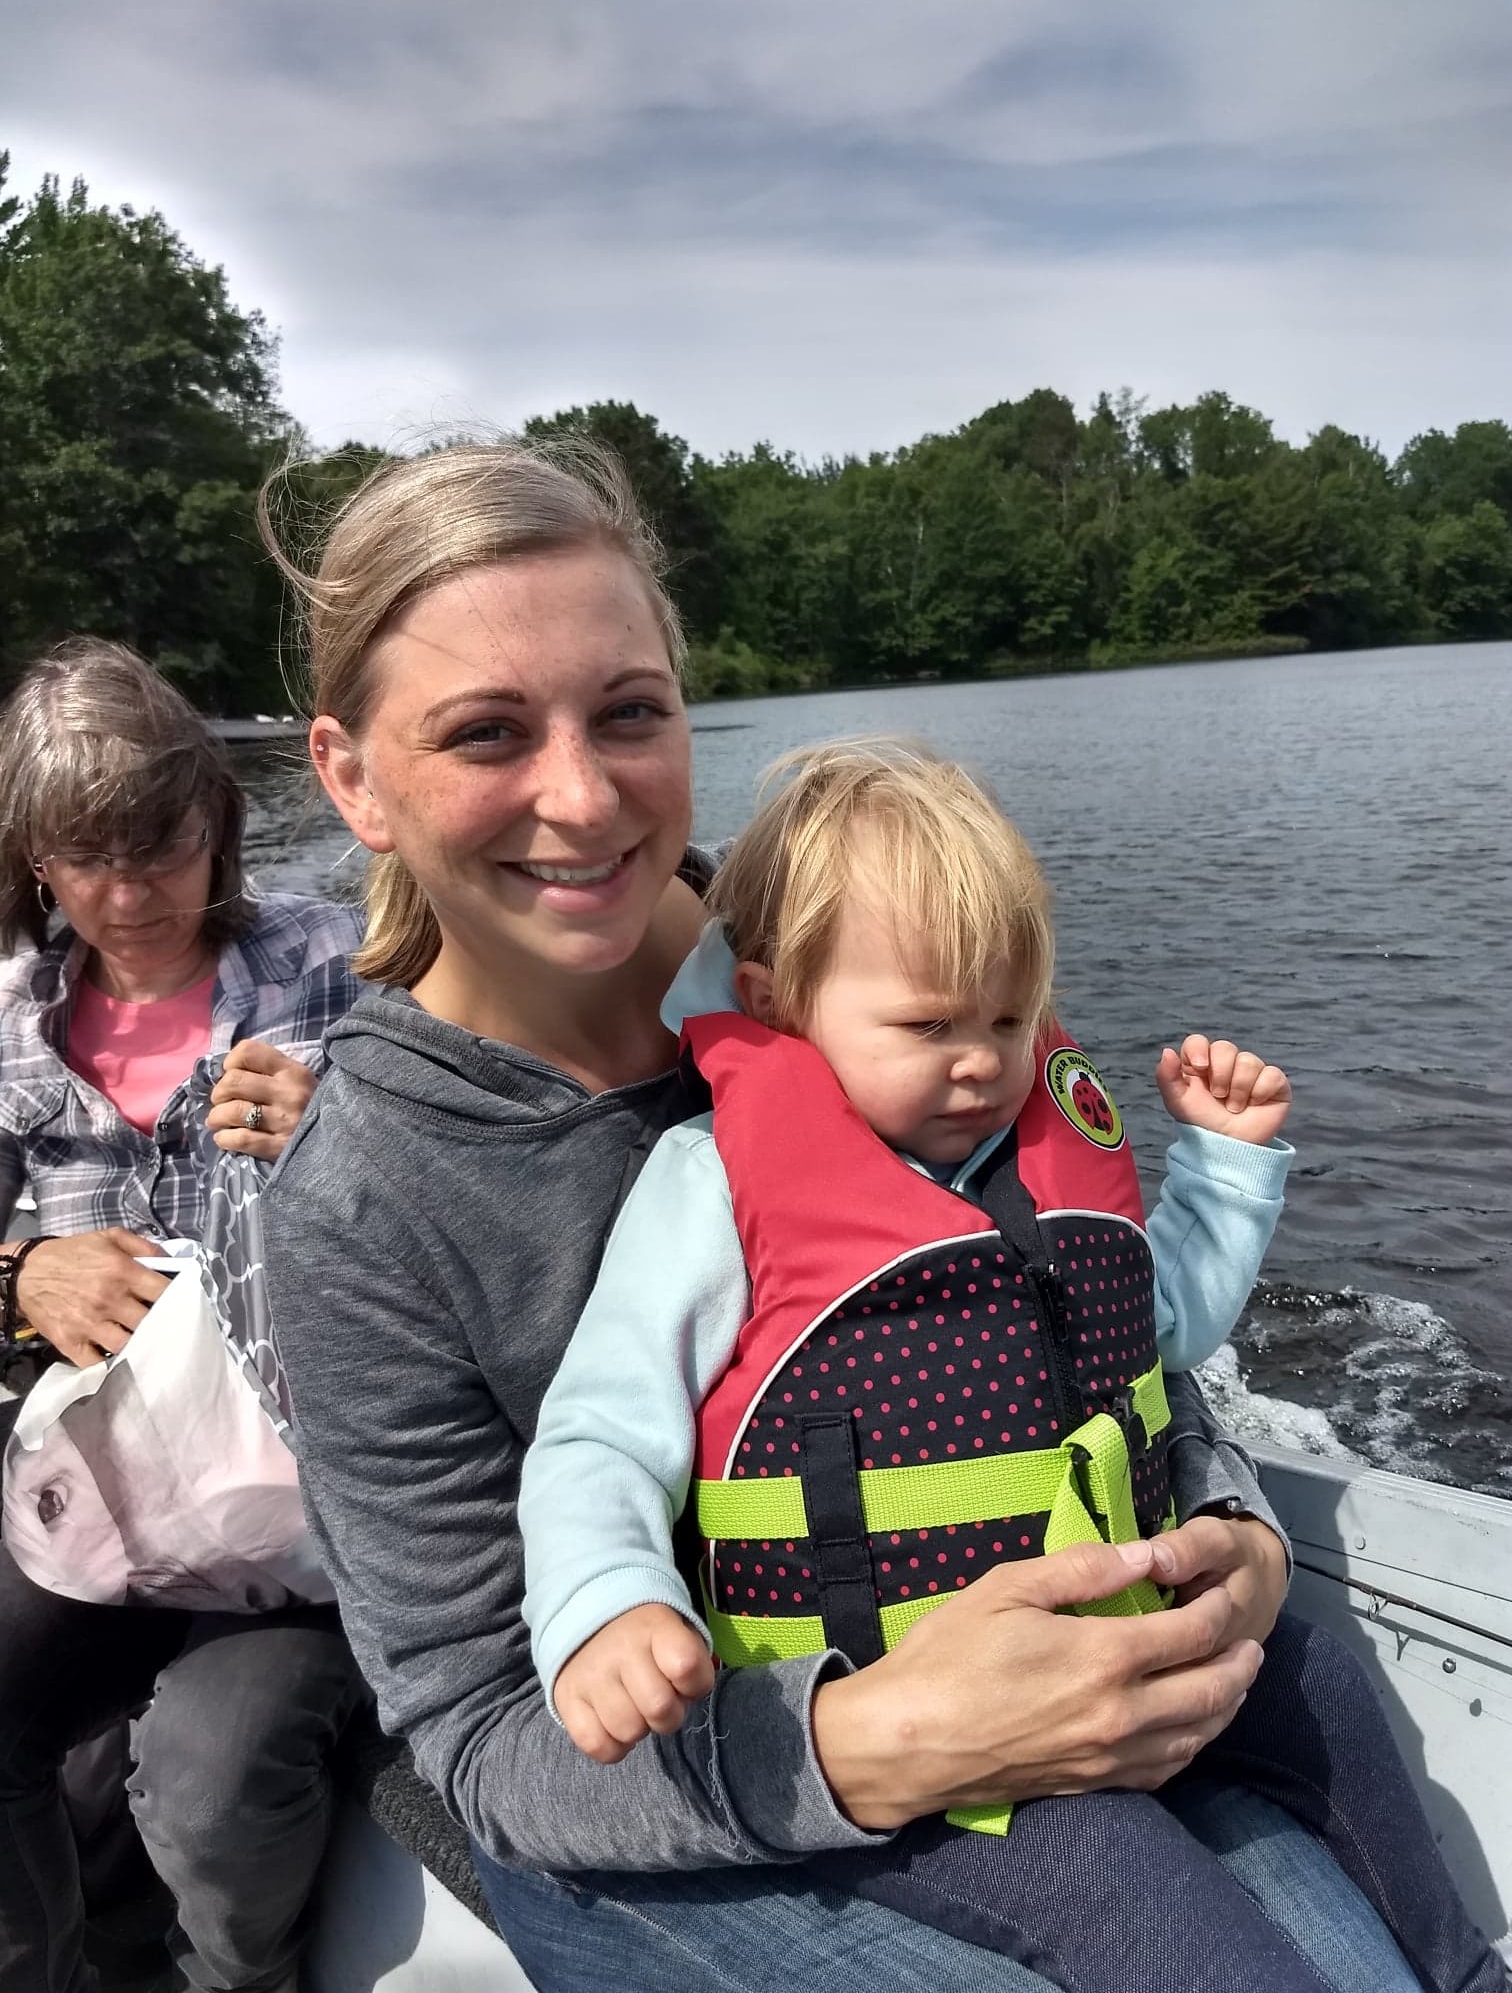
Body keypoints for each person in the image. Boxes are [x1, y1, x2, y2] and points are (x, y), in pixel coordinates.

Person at [260, 433, 1445, 1993]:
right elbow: (480, 1727)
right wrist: (871, 1740)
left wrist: (1228, 1525)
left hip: (1054, 1633)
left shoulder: (885, 940)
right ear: (351, 775)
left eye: (631, 711)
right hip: (681, 1804)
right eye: (487, 731)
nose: (582, 794)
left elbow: (1078, 1310)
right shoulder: (359, 1198)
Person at [519, 739, 1504, 1992]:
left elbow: (1162, 1329)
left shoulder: (1033, 1154)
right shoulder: (711, 1183)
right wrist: (609, 1604)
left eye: (1007, 1017)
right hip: (931, 1720)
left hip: (1119, 1637)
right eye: (927, 1025)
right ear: (775, 1001)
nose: (982, 1061)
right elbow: (602, 1434)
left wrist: (1224, 1169)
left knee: (1322, 1686)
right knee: (1150, 1903)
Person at [0, 638, 367, 1993]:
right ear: (37, 862)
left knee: (208, 1779)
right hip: (103, 1507)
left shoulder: (341, 962)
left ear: (215, 820)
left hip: (303, 1522)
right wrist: (19, 1276)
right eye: (84, 858)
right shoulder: (11, 1018)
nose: (128, 892)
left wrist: (346, 1136)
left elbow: (476, 1187)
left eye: (160, 846)